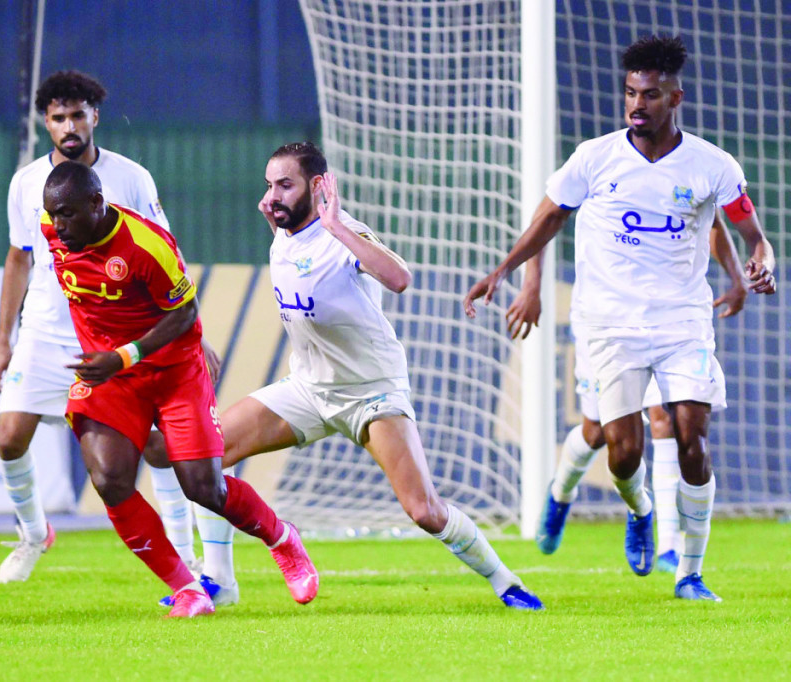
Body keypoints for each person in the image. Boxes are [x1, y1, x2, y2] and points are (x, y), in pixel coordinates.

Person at [464, 35, 776, 601]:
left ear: (675, 97)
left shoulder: (712, 165)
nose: (637, 104)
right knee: (620, 449)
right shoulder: (594, 158)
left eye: (650, 95)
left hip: (682, 321)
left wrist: (756, 268)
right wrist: (507, 272)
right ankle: (636, 510)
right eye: (630, 93)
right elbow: (548, 219)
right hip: (608, 323)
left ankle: (690, 573)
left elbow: (744, 232)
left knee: (691, 437)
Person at [179, 142, 543, 611]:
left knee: (424, 511)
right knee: (205, 454)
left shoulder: (344, 233)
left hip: (371, 394)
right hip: (308, 389)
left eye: (285, 185)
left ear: (317, 186)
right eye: (269, 185)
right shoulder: (283, 232)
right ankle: (219, 579)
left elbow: (400, 278)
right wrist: (279, 216)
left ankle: (506, 581)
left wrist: (336, 226)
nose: (272, 197)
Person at [40, 160, 318, 617]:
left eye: (67, 214)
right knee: (109, 478)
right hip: (112, 376)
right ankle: (187, 589)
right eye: (53, 215)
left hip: (173, 371)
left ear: (97, 203)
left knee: (204, 488)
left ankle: (282, 538)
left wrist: (124, 354)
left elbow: (185, 313)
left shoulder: (146, 245)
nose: (59, 225)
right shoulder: (53, 229)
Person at [0, 70, 213, 584]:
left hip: (118, 336)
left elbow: (167, 258)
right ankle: (34, 534)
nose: (69, 125)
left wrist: (193, 336)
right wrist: (4, 341)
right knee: (9, 438)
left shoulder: (130, 178)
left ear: (95, 116)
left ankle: (186, 556)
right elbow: (19, 258)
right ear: (45, 123)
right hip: (46, 332)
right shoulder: (26, 183)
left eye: (78, 114)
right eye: (58, 117)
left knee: (156, 447)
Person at [506, 209, 747, 572]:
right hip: (604, 320)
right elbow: (547, 218)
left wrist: (739, 273)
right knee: (597, 432)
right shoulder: (596, 175)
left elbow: (712, 221)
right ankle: (561, 492)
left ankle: (668, 545)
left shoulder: (684, 176)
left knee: (665, 418)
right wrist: (531, 285)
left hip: (667, 320)